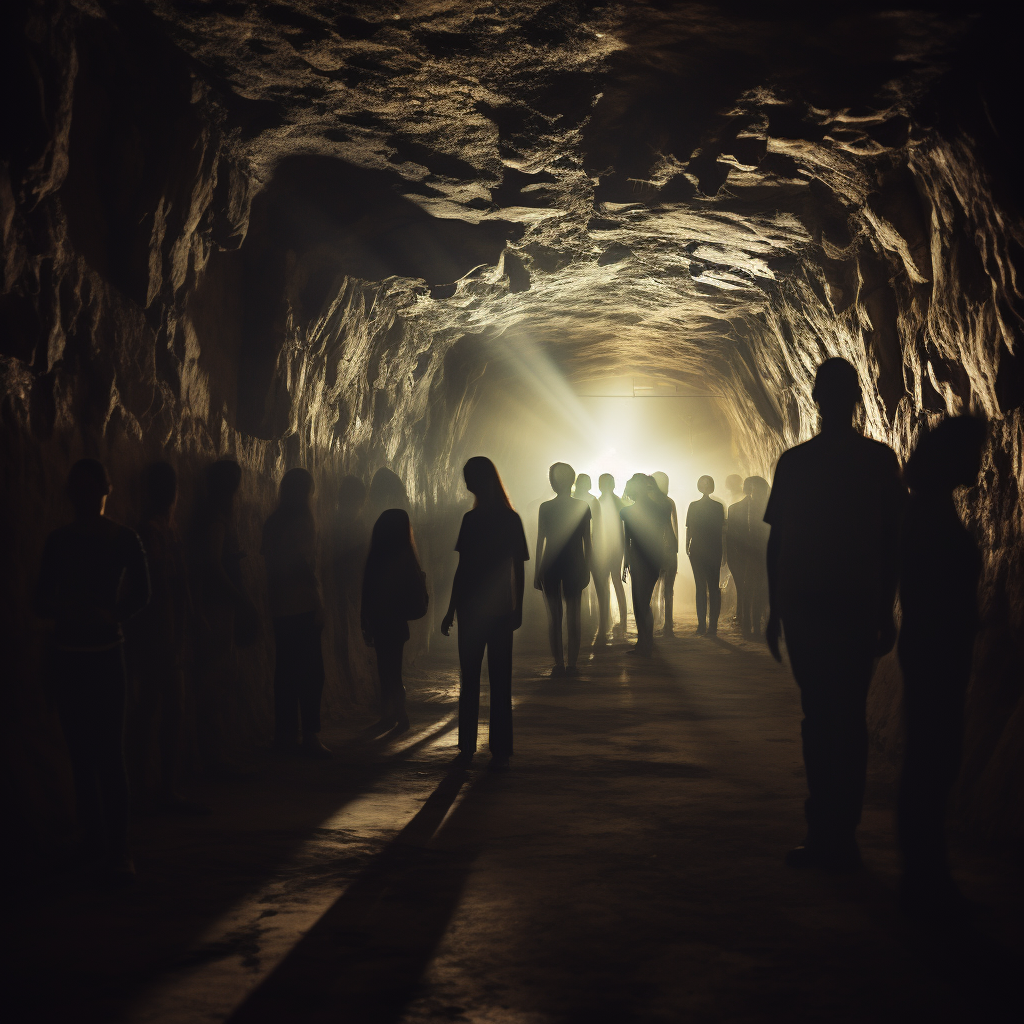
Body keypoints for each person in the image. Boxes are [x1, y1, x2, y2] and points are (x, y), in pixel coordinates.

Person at [764, 357, 904, 870]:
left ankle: (824, 829)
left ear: (816, 398)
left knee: (819, 718)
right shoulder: (879, 460)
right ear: (857, 399)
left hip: (808, 607)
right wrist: (886, 608)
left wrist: (776, 608)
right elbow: (893, 543)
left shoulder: (796, 463)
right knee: (847, 720)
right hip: (854, 607)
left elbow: (778, 542)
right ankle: (841, 832)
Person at [35, 459, 150, 883]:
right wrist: (90, 611)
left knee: (105, 755)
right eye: (79, 489)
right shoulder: (66, 541)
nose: (86, 497)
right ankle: (97, 844)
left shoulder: (116, 539)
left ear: (106, 489)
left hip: (99, 653)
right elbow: (41, 598)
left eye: (91, 488)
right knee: (85, 756)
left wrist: (109, 614)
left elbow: (143, 592)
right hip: (76, 653)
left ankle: (115, 848)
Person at [897, 415, 986, 918]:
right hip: (935, 646)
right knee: (931, 759)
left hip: (932, 644)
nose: (979, 461)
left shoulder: (927, 506)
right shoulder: (930, 512)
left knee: (932, 758)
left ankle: (927, 873)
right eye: (973, 451)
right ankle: (924, 878)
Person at [128, 461, 206, 814]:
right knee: (164, 708)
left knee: (158, 708)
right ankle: (155, 787)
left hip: (167, 631)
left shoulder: (165, 531)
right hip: (157, 631)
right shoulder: (151, 532)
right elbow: (160, 583)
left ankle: (151, 786)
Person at [441, 457, 528, 770]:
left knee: (471, 678)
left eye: (468, 478)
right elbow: (518, 566)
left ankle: (466, 746)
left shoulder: (472, 519)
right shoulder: (510, 519)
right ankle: (500, 748)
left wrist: (452, 609)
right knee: (500, 680)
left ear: (481, 480)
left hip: (473, 610)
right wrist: (518, 606)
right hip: (502, 608)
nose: (465, 484)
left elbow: (463, 569)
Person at [190, 459, 259, 776]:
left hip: (217, 605)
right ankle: (214, 756)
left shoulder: (210, 516)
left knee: (216, 679)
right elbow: (214, 565)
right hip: (217, 607)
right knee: (214, 681)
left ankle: (214, 752)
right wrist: (239, 598)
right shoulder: (218, 521)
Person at [262, 468, 330, 758]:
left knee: (286, 672)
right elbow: (302, 560)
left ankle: (285, 735)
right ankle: (311, 735)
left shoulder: (273, 521)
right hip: (302, 603)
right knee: (312, 672)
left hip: (281, 606)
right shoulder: (302, 520)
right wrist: (317, 596)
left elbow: (270, 561)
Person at [361, 508, 428, 736]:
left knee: (385, 670)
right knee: (393, 670)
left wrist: (365, 620)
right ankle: (398, 714)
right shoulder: (406, 556)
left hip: (381, 621)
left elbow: (367, 591)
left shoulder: (377, 556)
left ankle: (392, 714)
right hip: (397, 623)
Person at [535, 463, 592, 675]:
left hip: (551, 564)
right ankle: (571, 664)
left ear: (553, 481)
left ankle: (560, 663)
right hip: (574, 563)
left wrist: (536, 571)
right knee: (573, 616)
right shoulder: (582, 506)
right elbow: (588, 541)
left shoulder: (546, 507)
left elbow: (540, 541)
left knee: (555, 617)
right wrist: (588, 567)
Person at [620, 474, 670, 656]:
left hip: (639, 558)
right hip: (650, 558)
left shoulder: (627, 512)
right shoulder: (659, 509)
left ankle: (644, 642)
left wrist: (626, 560)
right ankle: (645, 642)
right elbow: (663, 537)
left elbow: (626, 539)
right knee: (643, 601)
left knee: (640, 601)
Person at [686, 476, 725, 636]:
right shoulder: (717, 506)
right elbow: (689, 528)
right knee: (709, 587)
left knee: (705, 587)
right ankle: (708, 626)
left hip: (702, 549)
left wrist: (686, 546)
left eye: (706, 483)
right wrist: (687, 546)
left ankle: (706, 625)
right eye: (703, 483)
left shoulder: (695, 506)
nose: (705, 486)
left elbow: (689, 528)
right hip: (708, 549)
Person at [595, 474, 628, 642]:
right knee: (614, 581)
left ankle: (606, 624)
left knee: (606, 583)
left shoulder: (597, 503)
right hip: (614, 547)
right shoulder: (617, 503)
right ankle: (621, 621)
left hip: (606, 547)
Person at [572, 474, 601, 644]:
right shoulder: (582, 500)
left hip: (587, 543)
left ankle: (591, 619)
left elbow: (597, 524)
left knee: (588, 584)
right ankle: (586, 618)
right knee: (581, 584)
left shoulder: (591, 501)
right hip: (579, 545)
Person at [652, 472, 679, 638]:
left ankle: (655, 621)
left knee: (654, 588)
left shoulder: (650, 503)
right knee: (668, 589)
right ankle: (668, 624)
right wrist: (676, 548)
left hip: (655, 548)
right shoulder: (669, 502)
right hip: (669, 548)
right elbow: (674, 527)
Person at [745, 477, 771, 638]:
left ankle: (755, 626)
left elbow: (752, 529)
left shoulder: (753, 506)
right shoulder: (765, 504)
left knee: (754, 590)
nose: (751, 492)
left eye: (753, 489)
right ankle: (758, 625)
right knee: (761, 590)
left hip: (757, 552)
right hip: (762, 551)